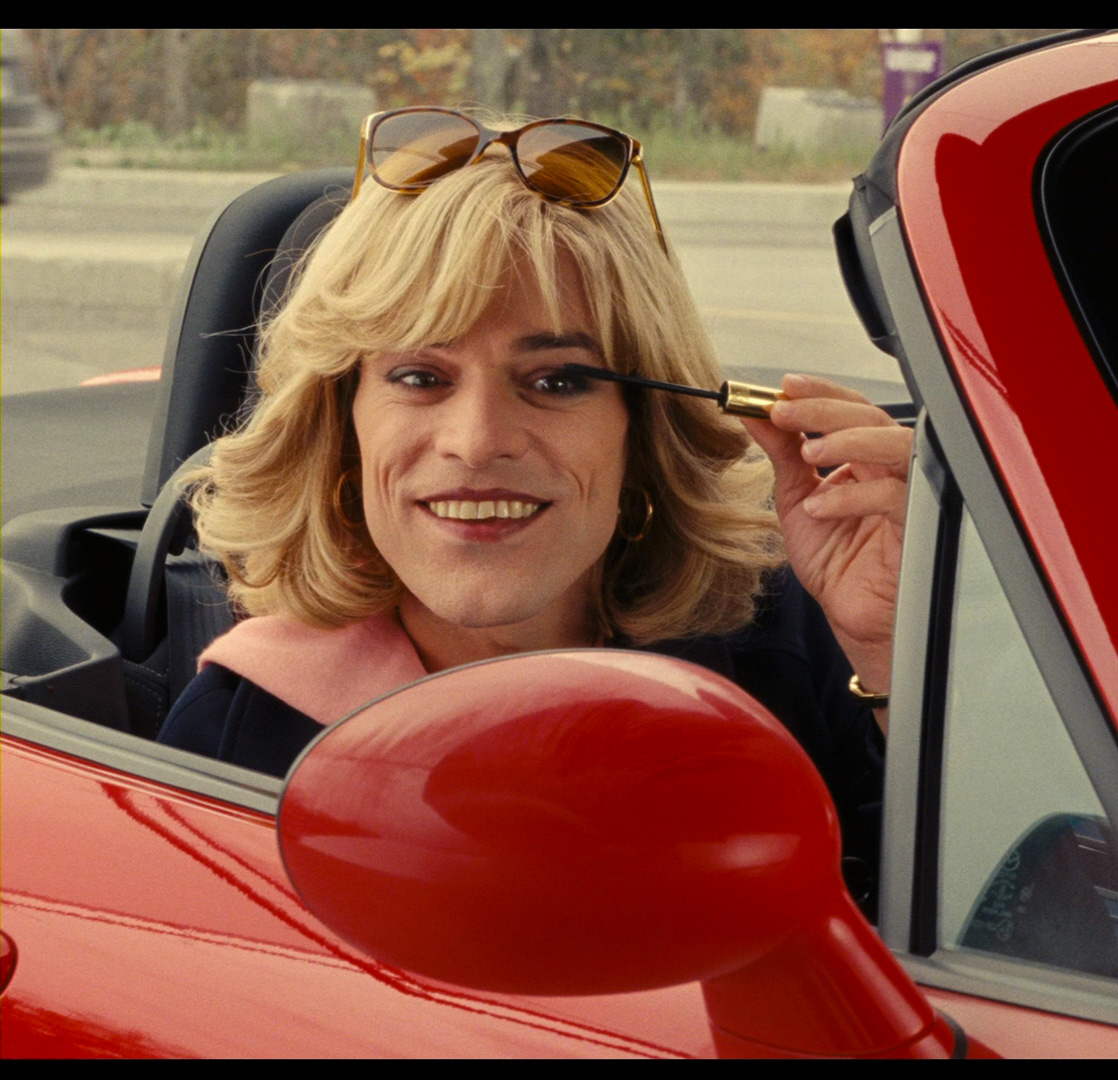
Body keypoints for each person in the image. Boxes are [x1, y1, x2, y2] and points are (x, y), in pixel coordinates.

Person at [156, 110, 911, 873]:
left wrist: (893, 653)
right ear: (341, 424)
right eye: (419, 377)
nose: (478, 440)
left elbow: (944, 912)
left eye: (555, 381)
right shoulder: (234, 735)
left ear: (643, 427)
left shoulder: (789, 643)